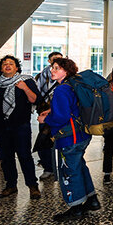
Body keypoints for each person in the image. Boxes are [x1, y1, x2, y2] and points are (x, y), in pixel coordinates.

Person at [38, 57, 101, 221]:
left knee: (69, 171)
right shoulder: (73, 85)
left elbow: (62, 116)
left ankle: (76, 207)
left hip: (69, 137)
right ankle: (91, 199)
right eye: (52, 67)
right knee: (79, 166)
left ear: (66, 71)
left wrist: (46, 119)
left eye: (57, 68)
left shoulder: (61, 89)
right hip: (82, 134)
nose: (52, 70)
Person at [0, 55, 41, 199]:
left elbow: (35, 99)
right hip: (1, 127)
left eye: (11, 63)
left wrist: (25, 88)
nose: (7, 65)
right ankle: (11, 185)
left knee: (24, 156)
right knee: (5, 157)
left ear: (17, 67)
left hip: (21, 125)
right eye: (4, 64)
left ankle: (32, 186)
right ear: (1, 68)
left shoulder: (27, 80)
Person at [34, 50, 63, 180]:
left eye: (60, 59)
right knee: (44, 140)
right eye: (55, 59)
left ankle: (63, 168)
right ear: (49, 61)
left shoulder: (67, 76)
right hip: (46, 111)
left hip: (61, 113)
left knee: (63, 141)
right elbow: (38, 92)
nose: (57, 60)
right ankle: (48, 168)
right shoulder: (43, 75)